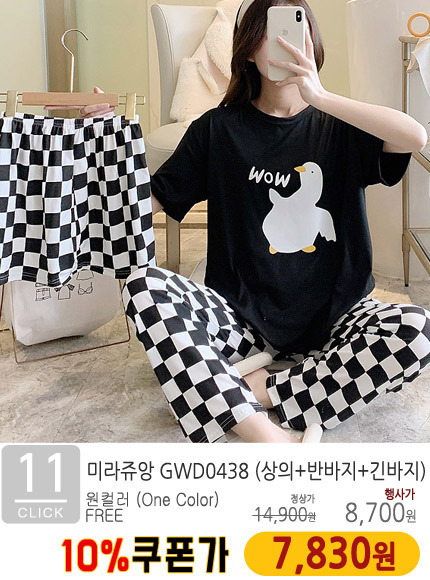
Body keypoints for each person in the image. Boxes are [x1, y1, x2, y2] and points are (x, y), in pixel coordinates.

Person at [69, 0, 430, 444]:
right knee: (144, 286)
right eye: (269, 32)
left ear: (312, 42)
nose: (283, 43)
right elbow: (145, 203)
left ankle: (259, 390)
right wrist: (104, 147)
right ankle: (266, 432)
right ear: (247, 49)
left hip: (336, 318)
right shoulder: (217, 130)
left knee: (417, 330)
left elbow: (415, 136)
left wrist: (320, 96)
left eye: (294, 29)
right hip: (240, 321)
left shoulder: (339, 125)